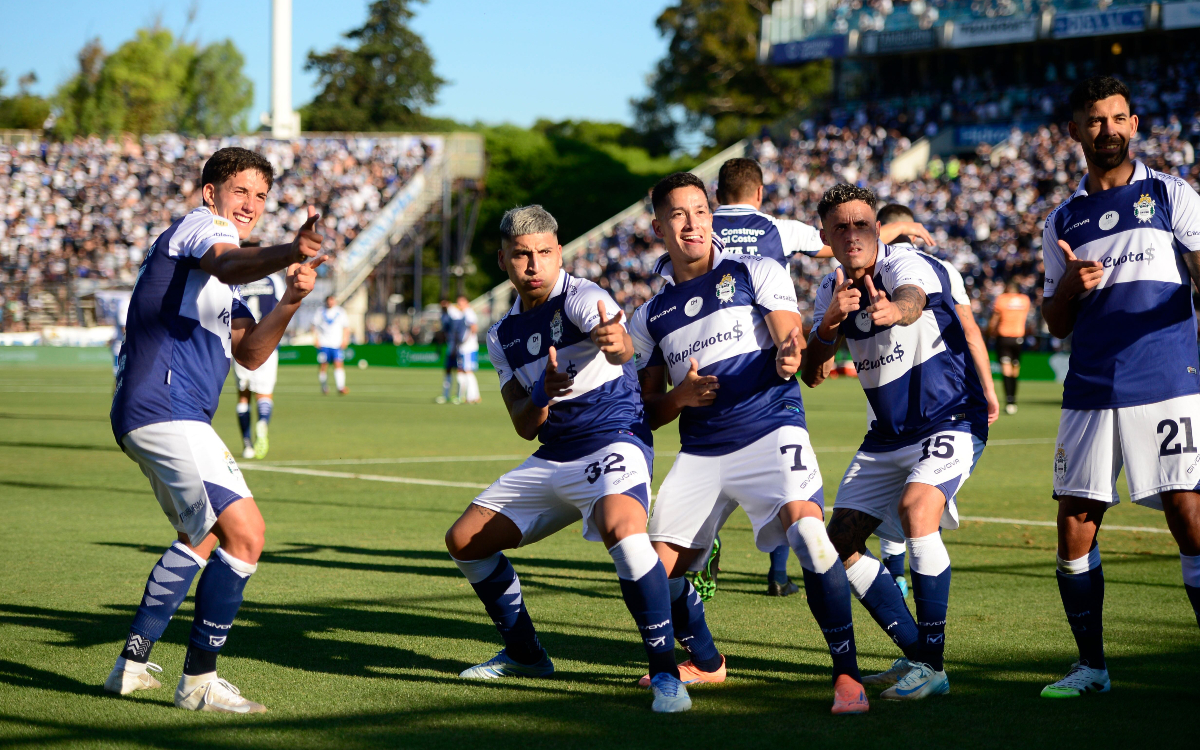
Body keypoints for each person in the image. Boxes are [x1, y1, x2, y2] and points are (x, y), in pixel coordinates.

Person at [629, 172, 869, 716]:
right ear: (659, 227)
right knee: (653, 573)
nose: (692, 223)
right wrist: (681, 396)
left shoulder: (754, 269)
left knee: (810, 534)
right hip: (702, 451)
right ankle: (706, 661)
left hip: (770, 430)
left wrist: (790, 350)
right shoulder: (649, 316)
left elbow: (790, 333)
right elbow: (648, 412)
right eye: (679, 214)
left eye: (700, 211)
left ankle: (847, 677)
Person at [443, 205, 693, 713]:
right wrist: (540, 392)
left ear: (559, 253)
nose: (534, 264)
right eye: (521, 255)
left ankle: (666, 675)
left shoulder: (583, 297)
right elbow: (523, 424)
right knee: (464, 540)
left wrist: (615, 341)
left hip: (614, 439)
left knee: (622, 529)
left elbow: (620, 346)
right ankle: (525, 654)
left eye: (544, 253)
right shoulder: (501, 336)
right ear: (503, 260)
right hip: (555, 454)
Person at [105, 147, 325, 712]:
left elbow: (251, 353)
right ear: (211, 194)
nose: (250, 203)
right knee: (248, 534)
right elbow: (229, 261)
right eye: (240, 191)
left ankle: (130, 665)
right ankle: (199, 682)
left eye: (260, 195)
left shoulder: (226, 279)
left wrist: (293, 299)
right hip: (165, 405)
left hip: (158, 411)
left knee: (201, 536)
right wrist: (287, 253)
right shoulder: (203, 229)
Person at [1039, 76, 1200, 698]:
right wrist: (1074, 287)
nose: (1107, 130)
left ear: (1134, 125)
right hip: (1091, 385)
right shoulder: (1062, 218)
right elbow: (1055, 322)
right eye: (1095, 120)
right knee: (1076, 522)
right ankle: (1092, 667)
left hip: (1165, 377)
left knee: (1189, 515)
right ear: (1075, 131)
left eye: (1117, 119)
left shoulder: (1169, 193)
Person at [802, 183, 990, 702]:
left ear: (877, 228)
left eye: (862, 223)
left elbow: (912, 299)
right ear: (826, 236)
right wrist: (830, 325)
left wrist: (894, 312)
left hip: (948, 418)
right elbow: (813, 374)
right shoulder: (829, 288)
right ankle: (918, 652)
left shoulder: (906, 263)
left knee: (917, 511)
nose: (853, 234)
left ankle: (930, 663)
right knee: (834, 544)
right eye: (840, 226)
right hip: (886, 436)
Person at [872, 203, 1001, 596]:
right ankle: (912, 574)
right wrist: (989, 389)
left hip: (883, 391)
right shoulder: (942, 268)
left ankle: (894, 574)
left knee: (892, 492)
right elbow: (970, 332)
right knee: (919, 494)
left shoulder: (861, 269)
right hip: (938, 397)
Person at [233, 268, 285, 459]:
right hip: (267, 344)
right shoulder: (273, 280)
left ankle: (247, 445)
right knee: (264, 394)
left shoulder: (238, 279)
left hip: (241, 343)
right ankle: (262, 421)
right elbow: (281, 308)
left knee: (243, 396)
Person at [988, 279, 1031, 414]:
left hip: (1004, 337)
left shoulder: (1001, 299)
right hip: (1019, 337)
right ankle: (1013, 400)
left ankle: (1009, 401)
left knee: (1006, 369)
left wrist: (989, 333)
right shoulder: (1025, 300)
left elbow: (994, 320)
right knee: (1015, 369)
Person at [313, 295, 350, 395]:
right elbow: (314, 326)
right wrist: (316, 339)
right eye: (329, 301)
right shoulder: (320, 311)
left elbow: (346, 327)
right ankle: (324, 387)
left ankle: (340, 387)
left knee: (338, 364)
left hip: (336, 343)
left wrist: (345, 340)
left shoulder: (341, 312)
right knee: (323, 365)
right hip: (324, 343)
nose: (330, 303)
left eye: (332, 301)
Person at [455, 294, 482, 404]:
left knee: (468, 371)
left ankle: (473, 396)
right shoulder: (463, 314)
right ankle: (470, 395)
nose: (459, 305)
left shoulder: (468, 313)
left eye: (461, 302)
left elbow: (474, 327)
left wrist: (466, 339)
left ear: (466, 302)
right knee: (464, 371)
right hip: (464, 347)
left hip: (468, 347)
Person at [437, 298, 463, 404]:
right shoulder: (443, 315)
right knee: (447, 370)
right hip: (450, 346)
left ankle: (459, 396)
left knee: (460, 372)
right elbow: (444, 332)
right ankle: (446, 395)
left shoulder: (454, 314)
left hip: (457, 348)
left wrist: (455, 348)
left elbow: (457, 333)